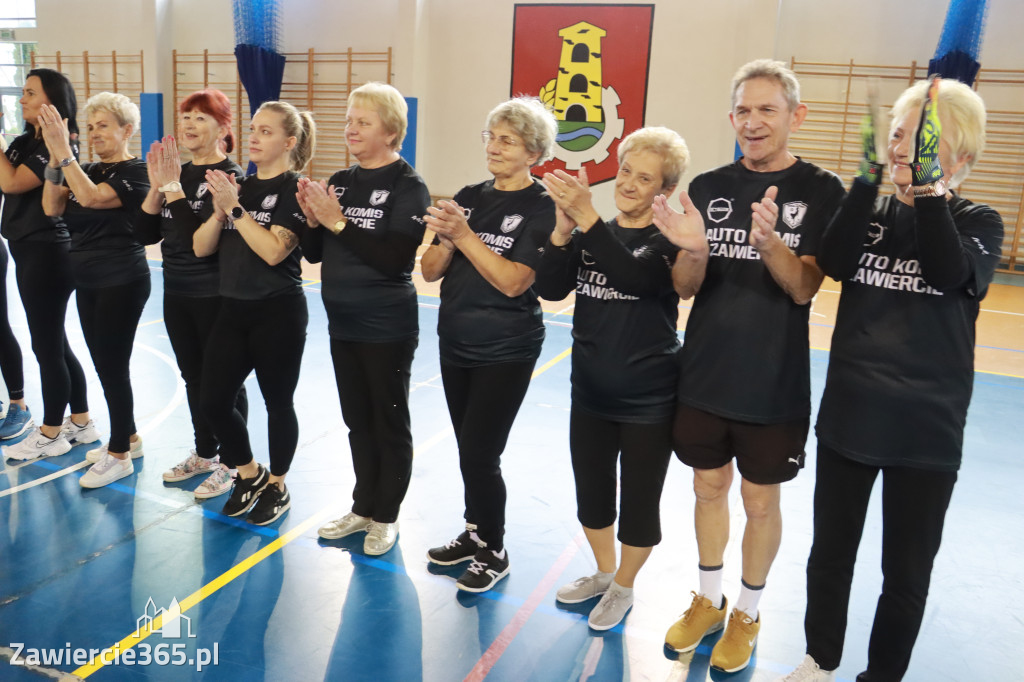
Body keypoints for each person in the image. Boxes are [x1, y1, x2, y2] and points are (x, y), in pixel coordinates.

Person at [778, 79, 1003, 682]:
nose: (907, 148)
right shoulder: (869, 210)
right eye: (901, 134)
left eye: (928, 142)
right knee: (830, 554)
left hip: (925, 430)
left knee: (905, 572)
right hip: (853, 412)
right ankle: (819, 658)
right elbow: (836, 260)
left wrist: (928, 190)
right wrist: (867, 175)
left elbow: (945, 267)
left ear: (961, 161)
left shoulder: (980, 221)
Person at [657, 59, 845, 672]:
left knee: (761, 503)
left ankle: (748, 610)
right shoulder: (708, 187)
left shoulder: (821, 191)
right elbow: (685, 288)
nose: (754, 122)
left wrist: (771, 247)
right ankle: (708, 600)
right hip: (705, 375)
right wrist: (691, 248)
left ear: (796, 115)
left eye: (768, 109)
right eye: (744, 110)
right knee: (707, 487)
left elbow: (802, 289)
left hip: (773, 382)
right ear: (731, 116)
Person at [534, 127, 693, 629]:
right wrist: (562, 231)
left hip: (648, 400)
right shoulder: (590, 233)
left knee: (639, 501)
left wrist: (585, 217)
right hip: (591, 393)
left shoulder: (668, 242)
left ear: (661, 192)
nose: (627, 183)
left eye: (643, 178)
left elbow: (633, 276)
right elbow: (551, 287)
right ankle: (606, 573)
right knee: (593, 493)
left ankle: (625, 586)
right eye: (625, 170)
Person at [420, 97, 556, 592]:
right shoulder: (468, 196)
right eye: (490, 137)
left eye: (508, 140)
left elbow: (513, 281)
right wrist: (449, 240)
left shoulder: (542, 208)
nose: (494, 147)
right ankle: (475, 533)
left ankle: (495, 550)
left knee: (480, 452)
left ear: (533, 151)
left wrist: (464, 233)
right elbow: (429, 271)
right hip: (455, 341)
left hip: (506, 348)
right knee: (467, 448)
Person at [298, 82, 429, 555]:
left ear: (391, 131)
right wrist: (313, 222)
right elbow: (315, 253)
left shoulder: (408, 186)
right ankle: (363, 507)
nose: (350, 128)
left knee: (388, 421)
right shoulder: (340, 180)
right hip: (344, 324)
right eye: (349, 120)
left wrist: (336, 221)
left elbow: (395, 258)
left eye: (363, 122)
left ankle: (387, 516)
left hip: (386, 327)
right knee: (357, 421)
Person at [194, 100, 314, 525]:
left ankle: (277, 484)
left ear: (289, 142)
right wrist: (220, 209)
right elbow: (201, 247)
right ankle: (248, 472)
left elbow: (272, 251)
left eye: (266, 131)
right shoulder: (237, 186)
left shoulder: (295, 189)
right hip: (232, 308)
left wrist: (236, 209)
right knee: (211, 400)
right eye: (253, 129)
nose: (255, 137)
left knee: (278, 403)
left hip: (277, 312)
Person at [136, 89, 247, 499]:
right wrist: (156, 188)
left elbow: (200, 240)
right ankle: (205, 453)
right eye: (185, 117)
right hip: (177, 291)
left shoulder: (228, 176)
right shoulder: (174, 173)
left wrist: (172, 190)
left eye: (200, 118)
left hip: (216, 294)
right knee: (193, 378)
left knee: (225, 383)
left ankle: (235, 463)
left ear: (222, 127)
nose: (189, 125)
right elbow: (145, 234)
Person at [40, 92, 151, 488]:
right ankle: (130, 437)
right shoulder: (83, 167)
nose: (94, 133)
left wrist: (64, 156)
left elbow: (89, 197)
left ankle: (119, 453)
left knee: (112, 366)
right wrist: (57, 156)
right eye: (90, 127)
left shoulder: (135, 172)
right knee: (105, 363)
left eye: (103, 125)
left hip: (121, 281)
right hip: (88, 281)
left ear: (127, 130)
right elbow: (52, 206)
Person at [0, 69, 96, 460]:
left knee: (46, 345)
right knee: (55, 341)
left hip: (47, 252)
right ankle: (82, 421)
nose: (21, 99)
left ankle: (51, 431)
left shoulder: (58, 145)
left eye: (29, 93)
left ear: (50, 103)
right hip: (27, 250)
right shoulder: (26, 141)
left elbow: (10, 184)